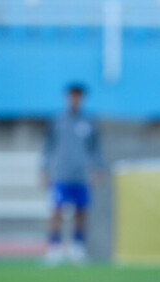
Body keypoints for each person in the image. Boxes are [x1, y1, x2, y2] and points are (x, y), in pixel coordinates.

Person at [42, 83, 103, 265]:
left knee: (81, 212)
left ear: (82, 99)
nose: (75, 100)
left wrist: (97, 168)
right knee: (57, 211)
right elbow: (47, 148)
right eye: (72, 96)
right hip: (61, 175)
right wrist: (44, 170)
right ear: (67, 98)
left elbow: (95, 149)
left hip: (81, 176)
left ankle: (78, 247)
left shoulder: (89, 123)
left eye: (78, 97)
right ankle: (55, 247)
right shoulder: (57, 122)